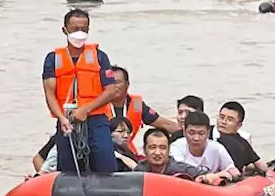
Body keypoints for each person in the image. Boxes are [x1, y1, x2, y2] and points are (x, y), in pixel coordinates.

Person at [42, 9, 122, 175]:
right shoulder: (53, 59)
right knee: (68, 168)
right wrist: (62, 118)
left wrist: (86, 109)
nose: (79, 33)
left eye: (83, 29)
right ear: (65, 30)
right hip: (67, 120)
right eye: (74, 29)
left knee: (106, 165)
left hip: (97, 119)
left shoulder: (100, 57)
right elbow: (50, 93)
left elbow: (111, 90)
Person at [110, 66, 179, 151]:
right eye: (109, 82)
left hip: (128, 151)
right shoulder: (97, 104)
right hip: (103, 151)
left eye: (117, 82)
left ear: (127, 84)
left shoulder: (136, 104)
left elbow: (164, 124)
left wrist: (188, 132)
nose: (112, 86)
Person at [170, 111, 239, 185]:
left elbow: (231, 170)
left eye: (201, 133)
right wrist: (214, 175)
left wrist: (232, 173)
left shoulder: (218, 149)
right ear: (184, 132)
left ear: (208, 133)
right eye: (191, 133)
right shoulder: (176, 147)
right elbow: (180, 170)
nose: (196, 138)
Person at [215, 101, 265, 174]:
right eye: (222, 117)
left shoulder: (242, 143)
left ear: (239, 125)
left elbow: (262, 167)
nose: (223, 122)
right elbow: (263, 167)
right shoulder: (203, 134)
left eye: (230, 119)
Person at [131, 128, 200, 179]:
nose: (157, 152)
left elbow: (205, 175)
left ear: (169, 150)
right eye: (152, 147)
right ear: (144, 150)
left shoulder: (181, 169)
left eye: (162, 147)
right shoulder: (140, 170)